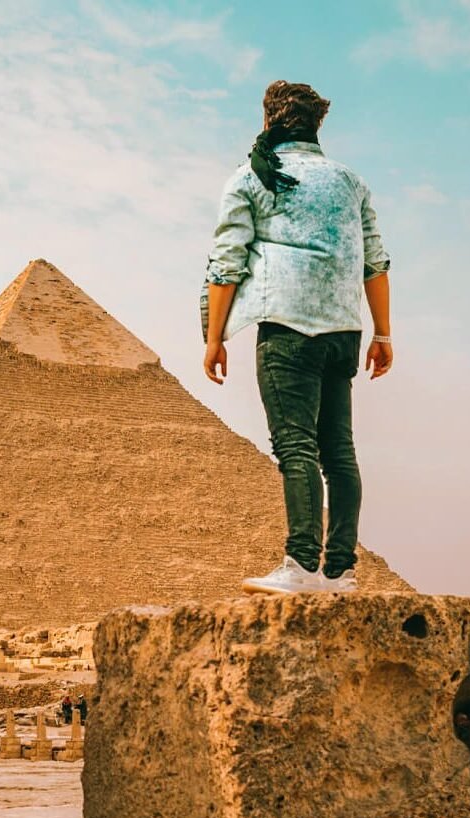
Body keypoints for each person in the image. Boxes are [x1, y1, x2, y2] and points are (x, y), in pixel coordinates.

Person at [201, 80, 392, 595]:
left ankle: (302, 564)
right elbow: (375, 261)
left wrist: (214, 337)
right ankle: (341, 572)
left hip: (286, 325)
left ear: (268, 121)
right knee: (340, 451)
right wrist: (384, 334)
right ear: (317, 124)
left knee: (296, 446)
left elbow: (226, 264)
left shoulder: (252, 178)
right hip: (344, 331)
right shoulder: (350, 182)